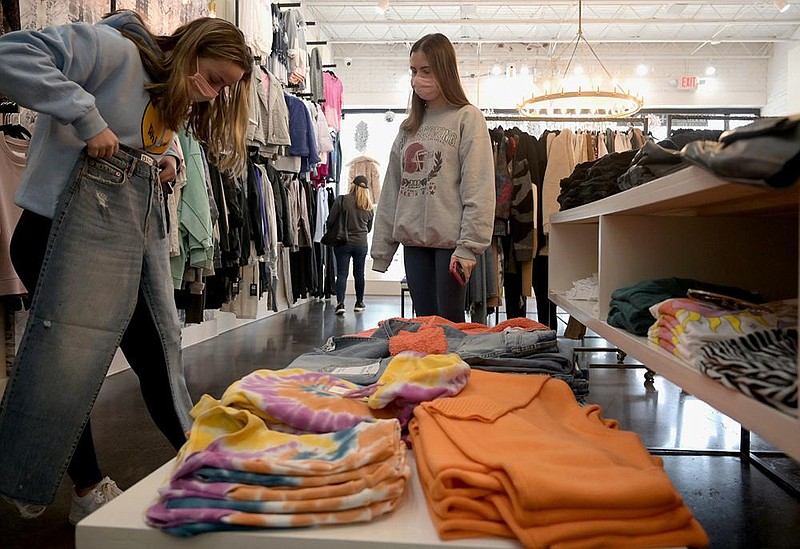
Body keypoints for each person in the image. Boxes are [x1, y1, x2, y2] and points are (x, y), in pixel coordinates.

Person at [0, 10, 252, 523]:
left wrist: (169, 159)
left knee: (157, 349)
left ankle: (193, 460)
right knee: (68, 365)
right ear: (194, 48)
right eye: (216, 78)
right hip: (57, 231)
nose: (214, 93)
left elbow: (147, 134)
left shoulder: (168, 93)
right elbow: (10, 55)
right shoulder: (116, 52)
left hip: (119, 236)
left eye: (225, 89)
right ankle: (88, 487)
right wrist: (86, 119)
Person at [371, 33, 495, 323]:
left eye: (426, 71)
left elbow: (478, 188)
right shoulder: (408, 127)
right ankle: (430, 370)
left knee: (450, 325)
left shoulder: (468, 118)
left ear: (444, 70)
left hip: (452, 245)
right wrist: (382, 251)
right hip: (413, 244)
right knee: (424, 324)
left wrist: (469, 246)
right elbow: (392, 191)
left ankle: (455, 370)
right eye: (414, 71)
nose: (418, 79)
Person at [331, 175, 374, 316]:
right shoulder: (368, 205)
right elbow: (369, 228)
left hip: (343, 242)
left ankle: (340, 304)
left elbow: (331, 220)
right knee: (359, 274)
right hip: (361, 244)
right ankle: (359, 303)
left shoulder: (342, 200)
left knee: (342, 273)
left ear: (352, 185)